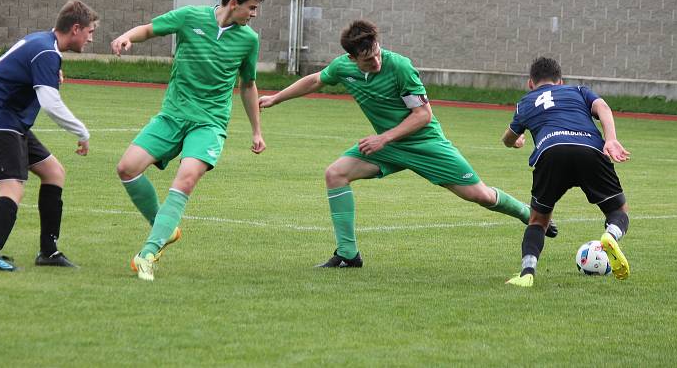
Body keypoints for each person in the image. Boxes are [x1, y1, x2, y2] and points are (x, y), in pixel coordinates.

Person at [258, 19, 555, 268]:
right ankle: (348, 255)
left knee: (480, 196)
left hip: (424, 144)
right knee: (335, 174)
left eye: (376, 52)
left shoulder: (399, 67)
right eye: (367, 59)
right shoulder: (343, 68)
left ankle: (527, 214)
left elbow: (423, 115)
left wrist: (383, 137)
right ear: (352, 59)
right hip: (387, 147)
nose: (375, 61)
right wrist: (276, 97)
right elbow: (315, 80)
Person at [111, 0, 267, 282]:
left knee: (186, 178)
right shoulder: (189, 17)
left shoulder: (249, 39)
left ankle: (147, 254)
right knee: (127, 168)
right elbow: (148, 29)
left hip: (209, 123)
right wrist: (127, 36)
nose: (254, 14)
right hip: (172, 115)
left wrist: (256, 131)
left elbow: (248, 85)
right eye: (251, 7)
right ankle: (165, 227)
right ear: (233, 4)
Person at [0, 0, 99, 271]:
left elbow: (17, 70)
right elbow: (50, 103)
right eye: (90, 31)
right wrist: (81, 131)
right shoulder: (46, 51)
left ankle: (48, 252)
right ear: (76, 28)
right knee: (12, 186)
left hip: (10, 118)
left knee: (54, 173)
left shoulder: (43, 44)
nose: (91, 38)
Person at [502, 57, 631, 287]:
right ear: (560, 81)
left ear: (530, 83)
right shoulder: (579, 90)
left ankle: (527, 273)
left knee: (538, 221)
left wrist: (516, 141)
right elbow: (602, 106)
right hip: (588, 149)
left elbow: (507, 138)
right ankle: (610, 236)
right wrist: (610, 139)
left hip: (551, 153)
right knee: (617, 209)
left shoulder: (525, 102)